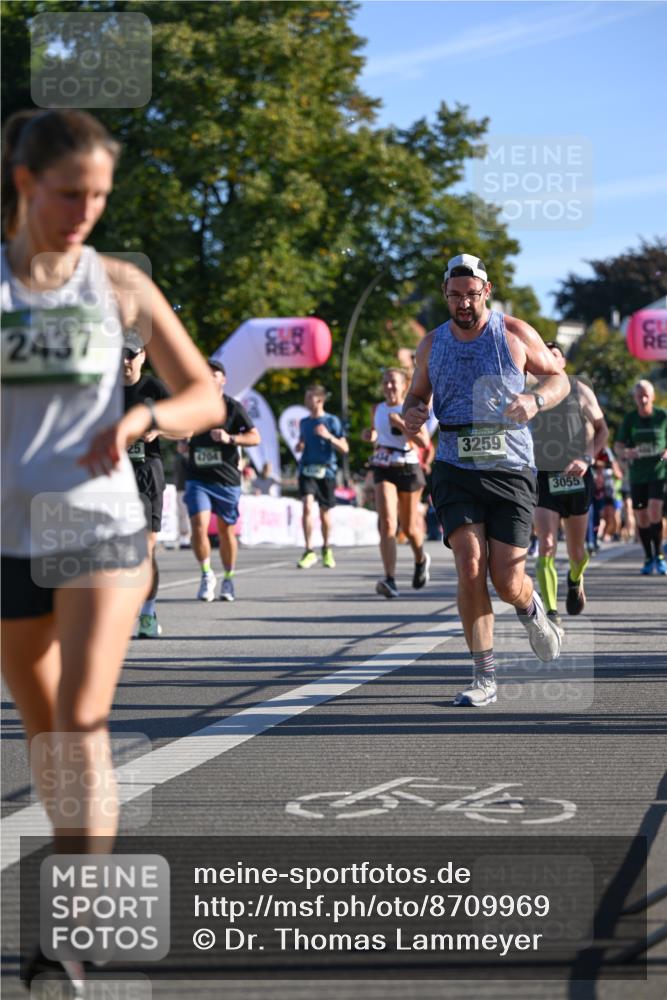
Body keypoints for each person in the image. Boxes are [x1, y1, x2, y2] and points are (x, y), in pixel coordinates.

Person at [0, 109, 223, 990]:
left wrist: (145, 415)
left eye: (99, 194)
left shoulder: (121, 285)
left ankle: (74, 923)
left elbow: (204, 391)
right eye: (69, 194)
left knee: (84, 718)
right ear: (25, 185)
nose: (85, 210)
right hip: (10, 533)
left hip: (99, 524)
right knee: (47, 726)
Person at [403, 253, 570, 707]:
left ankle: (531, 609)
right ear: (445, 295)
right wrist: (411, 413)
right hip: (455, 466)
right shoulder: (431, 345)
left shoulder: (513, 333)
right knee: (470, 566)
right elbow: (415, 396)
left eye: (471, 295)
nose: (463, 304)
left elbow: (559, 381)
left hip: (510, 466)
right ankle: (484, 676)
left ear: (487, 291)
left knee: (507, 576)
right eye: (454, 296)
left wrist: (536, 401)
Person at [530, 342, 609, 634]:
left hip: (577, 474)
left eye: (554, 355)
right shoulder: (531, 394)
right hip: (544, 477)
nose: (547, 361)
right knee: (546, 544)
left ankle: (575, 579)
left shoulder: (579, 390)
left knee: (577, 552)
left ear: (562, 362)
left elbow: (602, 429)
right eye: (543, 356)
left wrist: (588, 458)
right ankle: (551, 612)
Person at [183, 359, 260, 601]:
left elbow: (254, 437)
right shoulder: (193, 407)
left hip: (226, 480)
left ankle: (228, 578)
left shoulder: (233, 407)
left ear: (223, 379)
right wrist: (181, 440)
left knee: (226, 532)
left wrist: (230, 439)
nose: (210, 377)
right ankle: (207, 574)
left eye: (215, 373)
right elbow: (179, 434)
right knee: (198, 524)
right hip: (198, 477)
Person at [362, 367, 431, 597]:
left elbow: (424, 442)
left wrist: (402, 424)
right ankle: (390, 579)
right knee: (388, 524)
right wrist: (370, 435)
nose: (389, 387)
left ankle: (421, 559)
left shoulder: (410, 409)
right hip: (383, 468)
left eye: (394, 383)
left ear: (404, 386)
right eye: (386, 383)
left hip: (408, 469)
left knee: (410, 528)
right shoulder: (377, 409)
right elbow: (375, 432)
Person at [122, 329, 170, 637]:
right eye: (120, 354)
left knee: (146, 547)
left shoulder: (155, 388)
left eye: (131, 354)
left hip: (147, 472)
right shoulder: (105, 388)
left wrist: (159, 429)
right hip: (114, 473)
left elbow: (187, 427)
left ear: (143, 356)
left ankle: (148, 611)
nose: (124, 360)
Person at [615, 379, 667, 574]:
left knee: (655, 512)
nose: (643, 399)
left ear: (652, 396)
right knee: (642, 517)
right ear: (635, 399)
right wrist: (626, 453)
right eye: (639, 396)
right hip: (637, 475)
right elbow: (618, 445)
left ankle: (660, 555)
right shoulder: (630, 419)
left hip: (658, 472)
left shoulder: (662, 416)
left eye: (646, 395)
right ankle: (648, 556)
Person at [295, 384, 349, 568]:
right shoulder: (304, 422)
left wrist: (328, 436)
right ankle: (309, 550)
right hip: (306, 470)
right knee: (307, 507)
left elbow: (345, 448)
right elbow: (302, 442)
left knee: (324, 513)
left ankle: (326, 548)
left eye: (309, 397)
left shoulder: (332, 421)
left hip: (326, 471)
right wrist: (300, 446)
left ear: (319, 399)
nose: (306, 401)